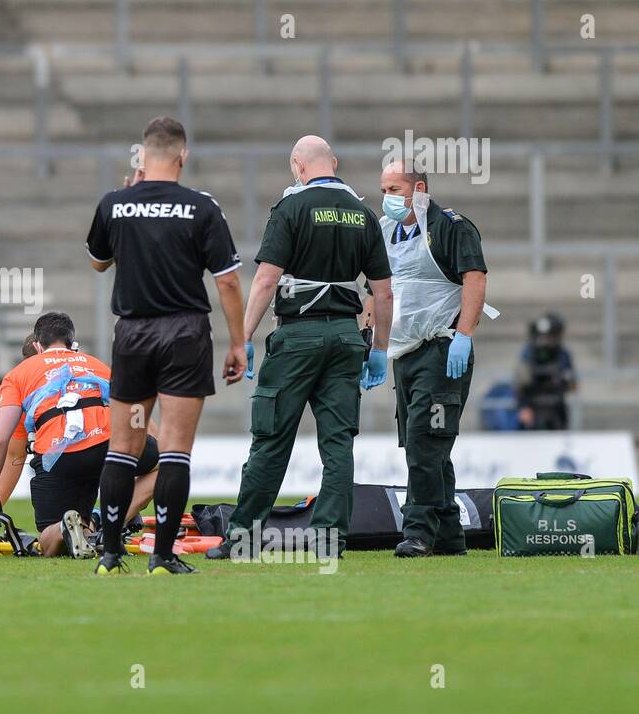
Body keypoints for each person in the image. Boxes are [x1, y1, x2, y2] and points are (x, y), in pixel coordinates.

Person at [207, 135, 393, 561]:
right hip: (347, 339)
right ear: (334, 163)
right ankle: (330, 541)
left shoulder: (290, 208)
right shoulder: (364, 214)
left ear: (297, 165)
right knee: (338, 444)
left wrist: (243, 338)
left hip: (297, 339)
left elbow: (268, 280)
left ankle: (244, 540)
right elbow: (383, 294)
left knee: (271, 440)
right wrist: (379, 348)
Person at [85, 116, 248, 575]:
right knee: (175, 450)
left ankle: (111, 554)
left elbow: (99, 263)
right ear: (183, 156)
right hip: (184, 334)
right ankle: (161, 557)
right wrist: (237, 343)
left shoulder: (115, 204)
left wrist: (126, 202)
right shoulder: (201, 207)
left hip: (133, 335)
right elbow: (230, 282)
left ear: (142, 155)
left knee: (123, 447)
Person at [367, 160, 495, 558]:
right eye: (383, 190)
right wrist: (372, 343)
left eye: (394, 189)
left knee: (426, 439)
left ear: (418, 187)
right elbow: (375, 291)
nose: (386, 198)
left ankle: (418, 530)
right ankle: (449, 535)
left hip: (441, 350)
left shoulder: (451, 227)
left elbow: (475, 277)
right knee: (425, 445)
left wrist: (464, 335)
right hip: (404, 353)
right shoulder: (386, 233)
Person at [0, 311, 161, 559]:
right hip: (109, 444)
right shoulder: (95, 364)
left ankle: (67, 527)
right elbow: (139, 411)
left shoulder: (21, 374)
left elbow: (4, 446)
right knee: (166, 464)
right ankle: (105, 523)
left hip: (58, 456)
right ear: (72, 343)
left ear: (36, 346)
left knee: (49, 539)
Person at [515, 312, 576, 430]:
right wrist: (523, 407)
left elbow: (572, 385)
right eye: (542, 337)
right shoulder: (529, 353)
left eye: (551, 337)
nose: (545, 342)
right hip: (532, 406)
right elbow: (520, 384)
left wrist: (563, 380)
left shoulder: (562, 354)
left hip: (557, 407)